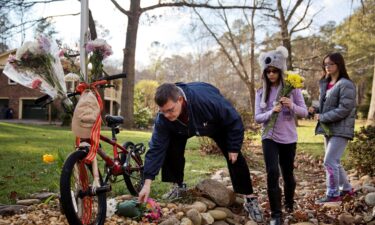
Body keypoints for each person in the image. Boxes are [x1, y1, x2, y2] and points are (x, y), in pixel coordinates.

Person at [138, 82, 263, 223]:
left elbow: (233, 119)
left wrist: (233, 147)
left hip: (214, 123)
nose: (167, 115)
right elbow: (156, 148)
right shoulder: (164, 119)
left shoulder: (207, 101)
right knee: (170, 149)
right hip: (182, 127)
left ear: (180, 99)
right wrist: (147, 183)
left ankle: (249, 197)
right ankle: (178, 186)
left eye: (170, 110)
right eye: (163, 111)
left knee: (234, 157)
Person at [255, 46, 308, 225]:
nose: (271, 74)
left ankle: (289, 203)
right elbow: (257, 117)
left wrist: (291, 105)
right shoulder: (261, 92)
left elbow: (304, 112)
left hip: (288, 137)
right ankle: (276, 214)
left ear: (280, 71)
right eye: (268, 71)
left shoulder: (292, 89)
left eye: (274, 71)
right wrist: (271, 111)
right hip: (268, 136)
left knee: (287, 174)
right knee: (272, 172)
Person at [309, 52, 356, 204]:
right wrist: (315, 109)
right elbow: (326, 105)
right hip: (328, 128)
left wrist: (323, 117)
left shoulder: (346, 84)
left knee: (329, 161)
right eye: (325, 64)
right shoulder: (325, 82)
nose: (327, 67)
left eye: (331, 64)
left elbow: (344, 109)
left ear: (339, 65)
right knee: (334, 161)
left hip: (341, 129)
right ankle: (347, 189)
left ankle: (333, 193)